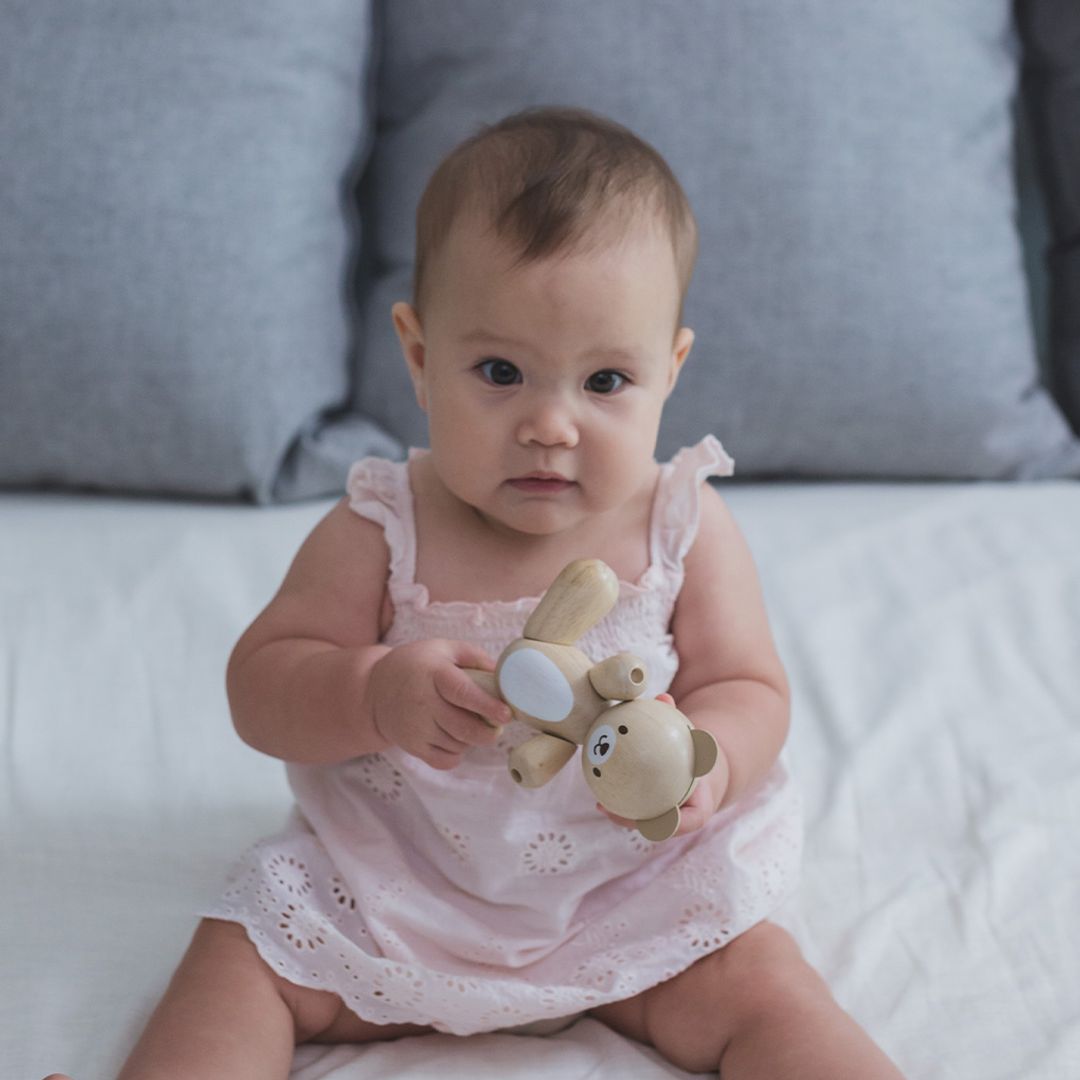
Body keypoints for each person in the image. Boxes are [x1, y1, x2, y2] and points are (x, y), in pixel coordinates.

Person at [48, 106, 903, 1079]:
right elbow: (261, 687)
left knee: (765, 986)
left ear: (670, 371)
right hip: (398, 887)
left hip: (637, 891)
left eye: (606, 380)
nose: (550, 425)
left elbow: (750, 686)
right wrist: (371, 691)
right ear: (419, 357)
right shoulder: (383, 525)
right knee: (245, 952)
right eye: (501, 372)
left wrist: (711, 764)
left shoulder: (682, 524)